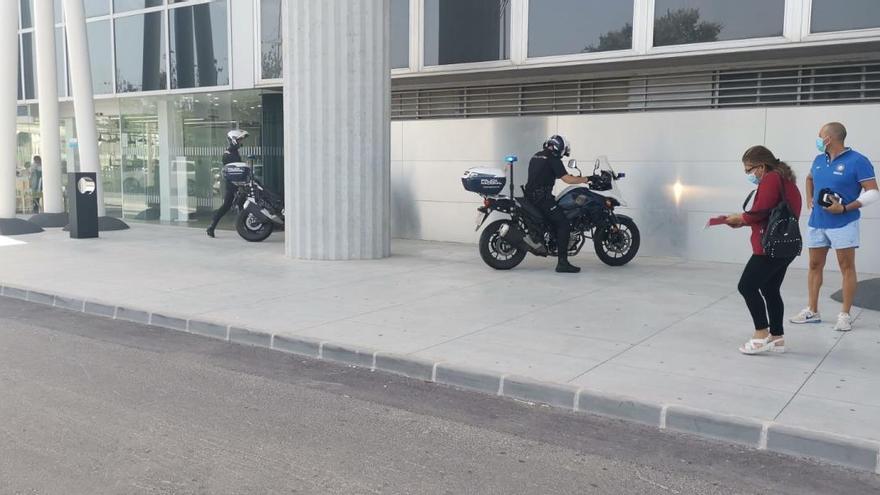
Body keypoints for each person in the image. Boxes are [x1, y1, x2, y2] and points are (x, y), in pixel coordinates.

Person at [789, 122, 878, 331]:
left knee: (846, 267)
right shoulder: (819, 159)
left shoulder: (858, 161)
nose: (818, 140)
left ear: (829, 139)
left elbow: (873, 192)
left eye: (820, 136)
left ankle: (845, 315)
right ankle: (812, 310)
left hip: (844, 222)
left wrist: (845, 208)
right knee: (814, 265)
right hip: (817, 222)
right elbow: (810, 178)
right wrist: (810, 198)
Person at [725, 146, 802, 355]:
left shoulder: (771, 179)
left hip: (768, 248)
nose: (749, 175)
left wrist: (741, 218)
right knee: (770, 289)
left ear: (761, 166)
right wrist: (744, 222)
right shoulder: (786, 180)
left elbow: (761, 210)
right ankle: (777, 338)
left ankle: (760, 334)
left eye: (749, 170)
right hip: (786, 246)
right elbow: (772, 213)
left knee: (747, 286)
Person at [524, 135, 591, 273]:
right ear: (559, 147)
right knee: (564, 224)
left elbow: (545, 174)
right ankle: (562, 263)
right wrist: (586, 179)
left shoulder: (536, 156)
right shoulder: (553, 159)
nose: (562, 155)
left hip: (530, 196)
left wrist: (573, 177)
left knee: (555, 218)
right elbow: (567, 180)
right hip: (542, 199)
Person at [207, 129, 249, 238]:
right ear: (234, 140)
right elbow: (233, 169)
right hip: (232, 184)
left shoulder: (234, 152)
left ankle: (245, 228)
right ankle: (212, 226)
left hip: (238, 183)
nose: (241, 142)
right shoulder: (229, 153)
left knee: (241, 204)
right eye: (240, 139)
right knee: (228, 205)